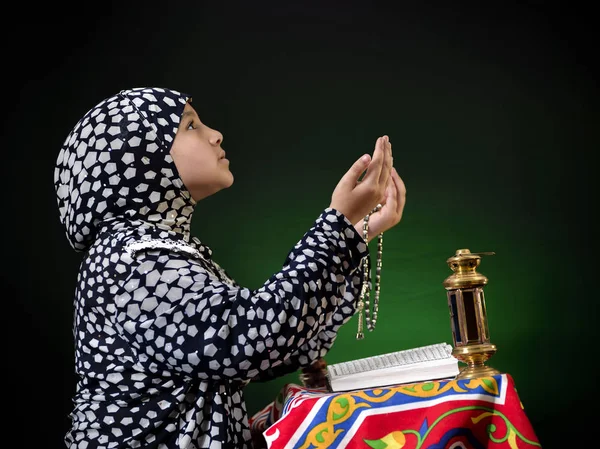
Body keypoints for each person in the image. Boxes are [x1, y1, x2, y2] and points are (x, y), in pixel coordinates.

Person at [54, 86, 406, 449]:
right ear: (139, 157)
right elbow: (248, 340)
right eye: (190, 126)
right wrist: (338, 228)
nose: (215, 135)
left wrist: (357, 231)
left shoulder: (159, 249)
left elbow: (273, 351)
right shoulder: (131, 262)